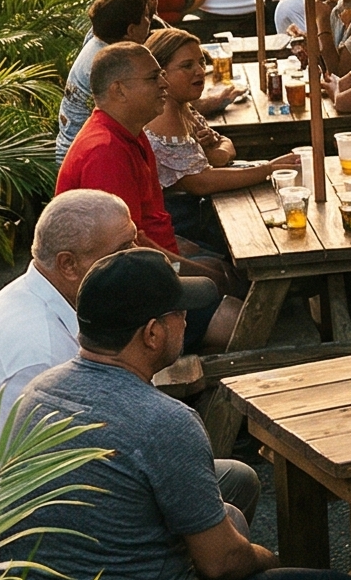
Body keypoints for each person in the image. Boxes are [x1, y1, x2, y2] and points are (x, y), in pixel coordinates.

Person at [14, 249, 351, 580]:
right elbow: (221, 563)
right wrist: (269, 561)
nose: (187, 320)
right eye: (180, 313)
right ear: (152, 333)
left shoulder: (36, 393)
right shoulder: (163, 421)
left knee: (228, 514)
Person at [56, 41, 237, 351]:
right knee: (245, 316)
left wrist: (191, 257)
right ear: (119, 90)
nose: (164, 84)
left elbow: (148, 224)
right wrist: (191, 271)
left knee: (231, 271)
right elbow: (126, 254)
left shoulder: (131, 133)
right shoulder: (105, 152)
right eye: (154, 77)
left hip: (155, 265)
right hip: (132, 298)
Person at [0, 188, 135, 427]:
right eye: (122, 250)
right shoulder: (40, 356)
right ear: (68, 265)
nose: (136, 256)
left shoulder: (32, 296)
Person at [142, 27, 277, 280]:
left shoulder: (182, 106)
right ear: (161, 73)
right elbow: (199, 182)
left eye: (201, 62)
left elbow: (224, 146)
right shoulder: (165, 114)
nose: (199, 71)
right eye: (187, 65)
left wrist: (217, 155)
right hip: (183, 224)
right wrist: (267, 169)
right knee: (267, 233)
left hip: (202, 211)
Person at [56, 0, 156, 161]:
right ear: (131, 30)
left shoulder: (98, 36)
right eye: (146, 16)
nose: (150, 22)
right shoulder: (110, 64)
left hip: (79, 144)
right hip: (87, 154)